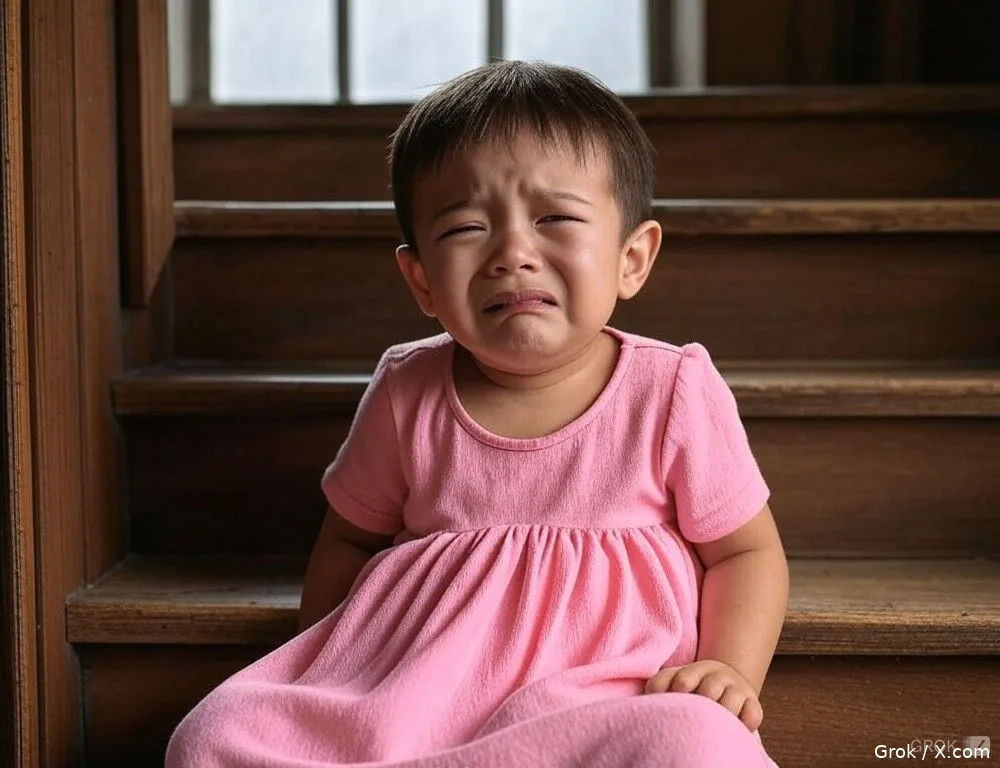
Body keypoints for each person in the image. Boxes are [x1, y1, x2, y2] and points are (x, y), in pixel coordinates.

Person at [166, 59, 790, 768]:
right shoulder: (408, 389)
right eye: (466, 227)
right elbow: (348, 542)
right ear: (422, 281)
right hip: (411, 699)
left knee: (694, 739)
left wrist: (729, 669)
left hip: (607, 700)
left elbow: (745, 551)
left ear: (632, 258)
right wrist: (329, 673)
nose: (512, 254)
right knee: (214, 732)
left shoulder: (669, 389)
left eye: (555, 218)